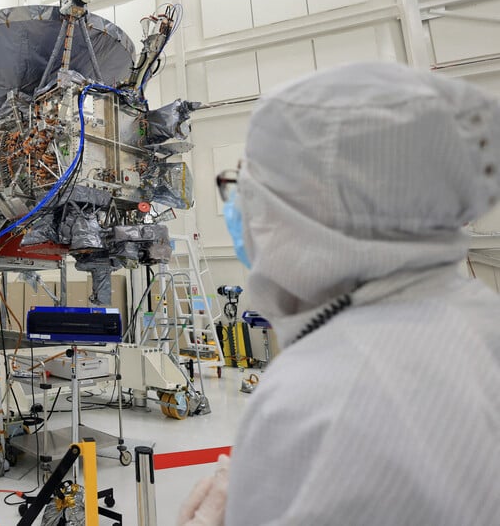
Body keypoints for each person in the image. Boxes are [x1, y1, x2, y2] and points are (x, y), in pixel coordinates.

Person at [181, 62, 500, 525]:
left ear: (306, 206)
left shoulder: (319, 400)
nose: (240, 208)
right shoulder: (478, 317)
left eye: (246, 186)